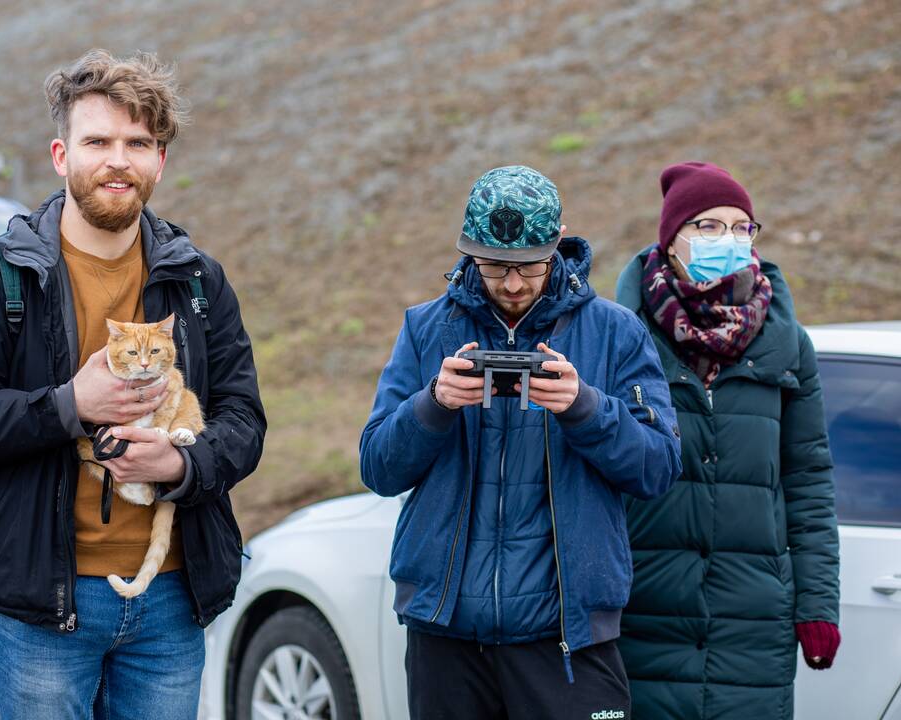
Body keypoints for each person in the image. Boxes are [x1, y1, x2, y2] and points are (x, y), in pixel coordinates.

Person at [0, 50, 265, 720]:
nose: (118, 160)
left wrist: (185, 463)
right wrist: (67, 407)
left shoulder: (197, 283)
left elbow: (243, 418)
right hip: (40, 603)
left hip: (169, 599)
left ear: (159, 160)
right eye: (98, 141)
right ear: (60, 154)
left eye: (138, 143)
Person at [359, 165, 683, 720]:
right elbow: (378, 469)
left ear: (556, 249)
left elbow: (658, 468)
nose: (511, 284)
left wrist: (587, 409)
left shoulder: (616, 331)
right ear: (469, 254)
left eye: (529, 267)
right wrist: (432, 404)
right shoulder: (425, 329)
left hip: (568, 636)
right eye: (494, 266)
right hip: (447, 634)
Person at [614, 161, 840, 720]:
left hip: (753, 622)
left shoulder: (788, 346)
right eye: (709, 227)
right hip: (642, 613)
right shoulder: (621, 337)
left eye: (742, 228)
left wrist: (817, 605)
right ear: (671, 241)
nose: (731, 241)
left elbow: (808, 483)